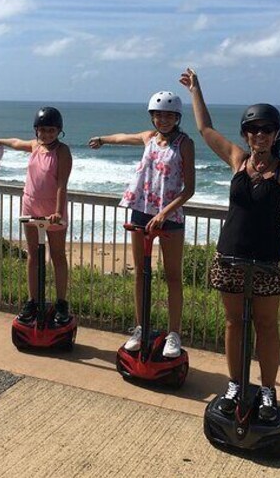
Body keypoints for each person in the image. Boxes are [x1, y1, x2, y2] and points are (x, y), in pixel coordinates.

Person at [179, 68, 280, 421]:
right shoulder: (238, 160)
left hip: (270, 259)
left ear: (276, 133)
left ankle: (268, 390)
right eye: (253, 129)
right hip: (231, 257)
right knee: (233, 322)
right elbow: (206, 130)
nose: (259, 135)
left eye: (266, 129)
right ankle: (236, 384)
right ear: (245, 134)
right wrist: (196, 90)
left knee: (267, 326)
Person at [88, 91, 196, 358]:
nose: (163, 119)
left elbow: (189, 188)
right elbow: (124, 138)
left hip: (169, 216)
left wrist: (164, 213)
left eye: (169, 115)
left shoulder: (184, 143)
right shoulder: (148, 138)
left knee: (172, 276)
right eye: (159, 115)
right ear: (152, 116)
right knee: (141, 273)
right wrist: (102, 140)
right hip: (141, 211)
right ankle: (140, 328)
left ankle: (174, 334)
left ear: (177, 117)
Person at [0, 107, 73, 325]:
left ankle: (61, 303)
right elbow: (17, 142)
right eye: (42, 130)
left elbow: (61, 184)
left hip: (53, 211)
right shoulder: (35, 146)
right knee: (33, 256)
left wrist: (58, 211)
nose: (46, 134)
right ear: (36, 130)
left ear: (58, 131)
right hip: (30, 206)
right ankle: (33, 300)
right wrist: (1, 140)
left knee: (57, 256)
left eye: (51, 130)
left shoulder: (62, 151)